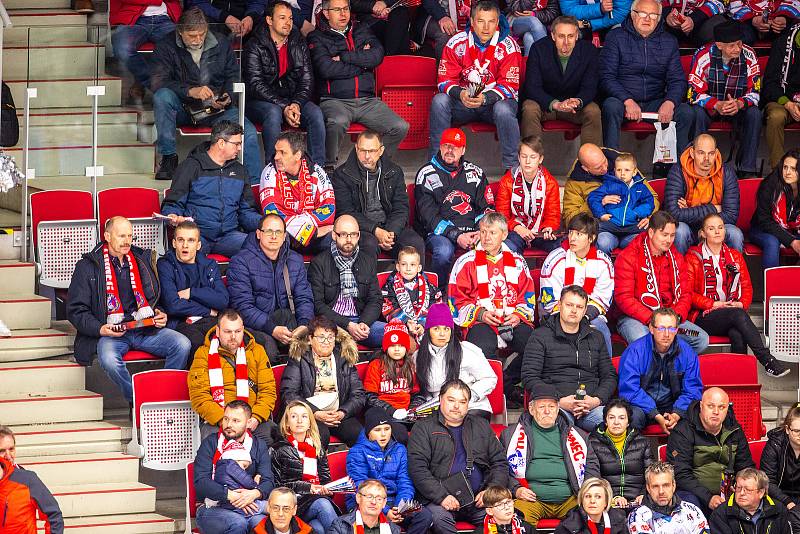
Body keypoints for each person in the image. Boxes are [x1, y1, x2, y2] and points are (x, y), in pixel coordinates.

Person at [67, 216, 191, 403]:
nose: (127, 241)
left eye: (130, 236)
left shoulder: (141, 260)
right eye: (121, 236)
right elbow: (76, 310)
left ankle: (162, 397)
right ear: (107, 236)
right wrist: (100, 329)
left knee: (182, 345)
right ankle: (139, 401)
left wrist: (159, 313)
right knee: (108, 359)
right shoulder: (88, 266)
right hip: (110, 333)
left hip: (144, 329)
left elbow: (154, 298)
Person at [150, 8, 263, 181]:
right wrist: (189, 91)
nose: (198, 40)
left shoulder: (221, 42)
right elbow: (158, 81)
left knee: (247, 131)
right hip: (183, 107)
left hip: (216, 109)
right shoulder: (166, 46)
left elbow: (233, 75)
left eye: (201, 34)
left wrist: (227, 97)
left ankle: (255, 183)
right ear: (180, 31)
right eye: (192, 35)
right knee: (162, 96)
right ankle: (168, 158)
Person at [686, 213, 790, 377]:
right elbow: (688, 293)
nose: (717, 231)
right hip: (703, 316)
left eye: (720, 227)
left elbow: (746, 286)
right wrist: (713, 304)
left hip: (731, 313)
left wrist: (742, 303)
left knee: (738, 333)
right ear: (703, 233)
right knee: (737, 315)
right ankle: (767, 360)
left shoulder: (734, 256)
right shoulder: (693, 257)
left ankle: (738, 380)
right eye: (711, 228)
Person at [307, 0, 409, 167]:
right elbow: (326, 69)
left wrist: (346, 57)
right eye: (337, 9)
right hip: (335, 101)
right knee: (337, 122)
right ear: (326, 13)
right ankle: (328, 166)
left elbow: (377, 56)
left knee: (400, 127)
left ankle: (373, 167)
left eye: (346, 8)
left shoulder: (362, 29)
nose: (343, 13)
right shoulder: (317, 36)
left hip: (367, 101)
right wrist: (363, 65)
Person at [448, 212, 536, 399]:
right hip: (481, 322)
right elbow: (455, 300)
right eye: (483, 232)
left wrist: (518, 315)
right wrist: (480, 314)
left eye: (492, 232)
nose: (486, 237)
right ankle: (500, 394)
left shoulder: (518, 261)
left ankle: (508, 382)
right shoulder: (465, 262)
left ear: (504, 235)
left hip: (512, 319)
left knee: (536, 348)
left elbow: (527, 295)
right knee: (480, 350)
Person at [407, 379, 509, 534]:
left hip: (478, 499)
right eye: (451, 400)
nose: (456, 406)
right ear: (440, 400)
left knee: (500, 518)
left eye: (462, 401)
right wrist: (442, 497)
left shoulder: (481, 425)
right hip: (439, 500)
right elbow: (417, 469)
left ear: (468, 404)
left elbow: (500, 463)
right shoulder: (423, 427)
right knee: (440, 520)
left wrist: (490, 491)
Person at [430, 0, 522, 170]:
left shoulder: (509, 46)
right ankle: (437, 166)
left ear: (498, 22)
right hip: (464, 103)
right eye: (481, 21)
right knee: (440, 100)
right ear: (472, 22)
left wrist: (485, 98)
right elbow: (444, 81)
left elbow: (510, 85)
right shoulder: (456, 43)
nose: (486, 27)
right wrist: (461, 94)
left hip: (493, 105)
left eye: (491, 21)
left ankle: (513, 169)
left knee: (503, 109)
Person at [500, 384, 600, 528]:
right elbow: (500, 468)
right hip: (531, 500)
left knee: (589, 518)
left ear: (558, 409)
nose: (547, 411)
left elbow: (591, 467)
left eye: (551, 407)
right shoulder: (510, 435)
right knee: (516, 521)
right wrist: (516, 489)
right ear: (531, 409)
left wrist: (586, 492)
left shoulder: (578, 435)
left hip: (570, 498)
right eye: (541, 407)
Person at [598, 0, 693, 151]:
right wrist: (627, 101)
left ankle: (678, 168)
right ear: (632, 15)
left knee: (685, 112)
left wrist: (669, 102)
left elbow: (678, 80)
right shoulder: (615, 37)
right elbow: (606, 77)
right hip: (623, 101)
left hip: (655, 101)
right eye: (642, 13)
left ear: (660, 18)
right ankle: (611, 162)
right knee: (610, 106)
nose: (647, 19)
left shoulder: (669, 41)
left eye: (653, 15)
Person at [521, 285, 617, 432]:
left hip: (590, 407)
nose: (574, 310)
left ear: (585, 311)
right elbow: (530, 377)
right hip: (557, 406)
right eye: (569, 305)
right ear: (559, 305)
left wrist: (596, 400)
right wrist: (558, 400)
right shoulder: (540, 336)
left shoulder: (596, 337)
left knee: (616, 424)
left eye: (579, 307)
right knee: (558, 426)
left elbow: (609, 376)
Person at [613, 210, 710, 353]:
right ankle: (657, 372)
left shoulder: (676, 257)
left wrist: (675, 317)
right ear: (651, 233)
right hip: (636, 319)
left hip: (669, 319)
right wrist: (652, 320)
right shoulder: (628, 256)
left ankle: (669, 367)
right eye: (664, 235)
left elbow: (685, 294)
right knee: (643, 338)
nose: (669, 240)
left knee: (700, 338)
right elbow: (624, 298)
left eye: (672, 236)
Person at [243, 1, 325, 167]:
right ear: (269, 20)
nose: (288, 22)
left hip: (292, 100)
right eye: (282, 18)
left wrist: (295, 104)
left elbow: (307, 80)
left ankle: (317, 170)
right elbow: (255, 84)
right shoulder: (254, 44)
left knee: (315, 113)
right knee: (273, 113)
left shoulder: (299, 42)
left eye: (290, 18)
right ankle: (273, 170)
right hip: (260, 102)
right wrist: (284, 106)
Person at [162, 121, 263, 256]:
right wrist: (172, 216)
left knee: (262, 247)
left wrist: (266, 224)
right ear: (221, 143)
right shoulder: (191, 166)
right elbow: (173, 203)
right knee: (188, 250)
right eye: (237, 144)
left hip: (229, 236)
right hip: (197, 234)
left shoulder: (240, 171)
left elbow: (246, 211)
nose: (239, 148)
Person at [227, 214, 315, 361]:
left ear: (284, 235)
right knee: (268, 349)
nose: (274, 236)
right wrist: (272, 329)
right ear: (259, 234)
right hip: (255, 325)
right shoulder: (241, 261)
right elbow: (242, 306)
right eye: (268, 231)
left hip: (287, 320)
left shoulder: (295, 260)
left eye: (278, 232)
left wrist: (304, 325)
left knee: (311, 344)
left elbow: (304, 298)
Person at [414, 128, 494, 288]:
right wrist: (456, 235)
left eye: (455, 147)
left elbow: (486, 208)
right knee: (443, 252)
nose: (450, 150)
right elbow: (428, 216)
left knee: (491, 246)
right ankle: (437, 293)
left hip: (473, 232)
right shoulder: (426, 173)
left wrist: (481, 231)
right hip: (439, 233)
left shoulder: (476, 173)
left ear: (463, 150)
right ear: (440, 147)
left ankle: (481, 296)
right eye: (447, 145)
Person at [332, 130, 426, 260]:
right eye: (362, 150)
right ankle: (369, 281)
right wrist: (375, 230)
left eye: (372, 151)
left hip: (390, 227)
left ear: (381, 151)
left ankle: (416, 281)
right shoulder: (342, 174)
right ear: (356, 148)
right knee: (369, 245)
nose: (367, 156)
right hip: (362, 229)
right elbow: (346, 212)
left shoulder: (394, 171)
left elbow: (401, 208)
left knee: (415, 243)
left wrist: (391, 233)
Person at [189, 309, 278, 442]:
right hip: (219, 420)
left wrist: (256, 417)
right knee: (212, 443)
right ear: (218, 331)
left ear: (243, 329)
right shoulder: (203, 354)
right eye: (227, 331)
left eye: (237, 331)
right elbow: (200, 397)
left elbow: (268, 391)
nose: (233, 336)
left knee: (272, 441)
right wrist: (224, 420)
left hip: (252, 418)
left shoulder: (257, 351)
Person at [687, 22, 762, 178]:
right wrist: (716, 104)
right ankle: (697, 168)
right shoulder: (703, 56)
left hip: (738, 105)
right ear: (719, 45)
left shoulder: (749, 55)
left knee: (754, 114)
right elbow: (692, 93)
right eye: (732, 45)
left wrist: (740, 103)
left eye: (740, 44)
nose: (737, 49)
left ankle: (747, 169)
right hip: (711, 107)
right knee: (696, 113)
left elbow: (755, 91)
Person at [667, 387, 756, 515]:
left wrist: (740, 485)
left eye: (721, 407)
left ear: (727, 409)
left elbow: (746, 465)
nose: (716, 412)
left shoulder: (735, 429)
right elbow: (680, 474)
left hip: (730, 492)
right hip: (694, 494)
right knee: (690, 505)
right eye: (711, 406)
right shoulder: (682, 431)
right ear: (701, 406)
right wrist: (708, 498)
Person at [282, 315, 366, 447]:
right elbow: (289, 394)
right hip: (310, 415)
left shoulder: (344, 358)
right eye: (321, 337)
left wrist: (343, 412)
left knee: (359, 434)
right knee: (320, 435)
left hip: (338, 413)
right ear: (310, 339)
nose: (326, 341)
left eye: (331, 337)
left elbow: (359, 395)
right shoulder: (299, 358)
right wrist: (315, 413)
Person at [346, 410, 434, 534]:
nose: (383, 434)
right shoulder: (357, 452)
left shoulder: (400, 449)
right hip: (366, 502)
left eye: (387, 429)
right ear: (368, 432)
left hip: (393, 501)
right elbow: (359, 487)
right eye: (377, 430)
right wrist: (385, 511)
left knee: (424, 516)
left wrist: (400, 507)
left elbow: (405, 481)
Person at [538, 213, 615, 356]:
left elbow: (602, 299)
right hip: (556, 314)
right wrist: (571, 316)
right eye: (571, 232)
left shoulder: (603, 262)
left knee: (601, 330)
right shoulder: (555, 259)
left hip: (588, 314)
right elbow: (549, 300)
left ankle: (606, 376)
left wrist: (583, 316)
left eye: (579, 234)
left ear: (591, 238)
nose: (572, 238)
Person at [194, 400, 275, 534]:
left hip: (250, 504)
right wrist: (230, 495)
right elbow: (201, 482)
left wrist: (254, 493)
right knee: (238, 523)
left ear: (248, 423)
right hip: (212, 508)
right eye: (226, 419)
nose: (228, 425)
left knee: (263, 525)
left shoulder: (258, 445)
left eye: (236, 421)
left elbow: (268, 481)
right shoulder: (211, 443)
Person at [617, 307, 703, 432]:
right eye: (661, 328)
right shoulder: (635, 351)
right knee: (632, 417)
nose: (666, 334)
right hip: (642, 406)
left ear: (677, 330)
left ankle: (679, 451)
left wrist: (676, 414)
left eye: (671, 328)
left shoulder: (687, 353)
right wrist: (655, 414)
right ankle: (637, 451)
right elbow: (629, 390)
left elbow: (693, 390)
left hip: (673, 405)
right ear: (651, 328)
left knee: (698, 414)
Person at [521, 16, 602, 147]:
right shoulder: (538, 48)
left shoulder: (589, 51)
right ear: (553, 36)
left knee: (593, 111)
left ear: (577, 36)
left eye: (570, 36)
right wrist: (555, 104)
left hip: (574, 107)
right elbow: (532, 87)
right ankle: (532, 163)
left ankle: (591, 164)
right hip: (545, 106)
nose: (566, 41)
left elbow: (590, 87)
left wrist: (578, 101)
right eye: (561, 36)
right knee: (529, 108)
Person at [307, 215, 385, 348]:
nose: (349, 239)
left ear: (359, 236)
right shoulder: (319, 263)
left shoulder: (368, 261)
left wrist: (363, 323)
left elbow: (375, 299)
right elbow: (318, 305)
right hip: (332, 325)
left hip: (361, 323)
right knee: (324, 339)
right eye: (343, 234)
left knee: (396, 335)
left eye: (353, 234)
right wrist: (348, 325)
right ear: (334, 235)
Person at [411, 303, 497, 419]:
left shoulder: (466, 350)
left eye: (446, 329)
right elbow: (425, 392)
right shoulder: (418, 357)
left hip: (471, 407)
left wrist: (469, 396)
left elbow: (489, 378)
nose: (442, 334)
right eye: (436, 329)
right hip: (440, 409)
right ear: (428, 331)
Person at [157, 220, 230, 356]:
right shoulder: (165, 265)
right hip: (181, 323)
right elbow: (173, 306)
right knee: (200, 345)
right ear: (174, 243)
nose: (185, 245)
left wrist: (191, 292)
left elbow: (223, 300)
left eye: (191, 240)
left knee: (233, 339)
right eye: (180, 240)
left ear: (198, 245)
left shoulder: (209, 265)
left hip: (210, 321)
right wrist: (208, 309)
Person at [664, 134, 743, 255]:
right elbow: (673, 214)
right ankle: (679, 273)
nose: (706, 158)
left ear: (716, 153)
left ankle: (733, 273)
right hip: (689, 227)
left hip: (715, 227)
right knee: (680, 231)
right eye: (701, 153)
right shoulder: (678, 171)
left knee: (735, 234)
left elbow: (731, 215)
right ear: (692, 152)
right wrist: (714, 208)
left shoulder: (726, 172)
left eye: (711, 153)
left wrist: (690, 210)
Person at [259, 131, 336, 255]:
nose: (276, 157)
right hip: (285, 237)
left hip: (314, 239)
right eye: (276, 151)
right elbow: (272, 213)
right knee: (275, 237)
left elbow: (328, 210)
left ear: (298, 155)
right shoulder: (269, 173)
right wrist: (311, 232)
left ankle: (321, 273)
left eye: (282, 153)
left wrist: (302, 231)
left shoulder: (317, 172)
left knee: (336, 239)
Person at [270, 400, 339, 534]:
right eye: (294, 416)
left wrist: (328, 490)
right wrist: (308, 487)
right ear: (287, 423)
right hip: (291, 504)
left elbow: (325, 480)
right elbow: (276, 486)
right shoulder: (278, 449)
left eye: (304, 416)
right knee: (322, 505)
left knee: (317, 528)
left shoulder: (317, 448)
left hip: (314, 501)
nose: (299, 420)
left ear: (310, 423)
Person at [562, 143, 660, 227]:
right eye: (598, 168)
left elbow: (653, 197)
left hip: (633, 224)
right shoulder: (574, 183)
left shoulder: (622, 164)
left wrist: (648, 216)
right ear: (585, 168)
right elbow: (569, 220)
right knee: (605, 242)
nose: (605, 168)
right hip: (600, 229)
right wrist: (596, 204)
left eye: (604, 162)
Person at [495, 136, 562, 255]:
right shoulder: (507, 181)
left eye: (533, 157)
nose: (527, 161)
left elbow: (553, 215)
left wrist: (548, 228)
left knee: (560, 247)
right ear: (518, 158)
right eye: (524, 156)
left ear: (540, 159)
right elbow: (501, 216)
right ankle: (516, 273)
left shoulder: (550, 183)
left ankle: (547, 273)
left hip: (539, 231)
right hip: (515, 230)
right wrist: (517, 227)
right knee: (509, 248)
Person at [110, 0, 182, 100]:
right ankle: (161, 88)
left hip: (165, 19)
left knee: (183, 46)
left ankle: (142, 80)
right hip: (134, 20)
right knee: (122, 48)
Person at [588, 400, 653, 507]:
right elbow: (593, 478)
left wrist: (644, 494)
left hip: (639, 500)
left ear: (628, 422)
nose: (616, 422)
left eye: (621, 418)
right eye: (612, 417)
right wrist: (614, 497)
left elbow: (650, 473)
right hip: (607, 501)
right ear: (605, 421)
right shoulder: (593, 442)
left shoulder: (642, 442)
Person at [588, 152, 656, 255]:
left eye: (627, 170)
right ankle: (604, 267)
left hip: (632, 226)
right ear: (614, 171)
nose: (622, 173)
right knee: (595, 231)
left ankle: (632, 268)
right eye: (619, 170)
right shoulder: (609, 185)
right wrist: (601, 214)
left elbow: (649, 202)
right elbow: (593, 198)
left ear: (634, 172)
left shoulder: (640, 188)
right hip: (611, 225)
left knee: (647, 237)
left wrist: (637, 213)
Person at [0, 426, 63, 534]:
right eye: (1, 451)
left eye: (11, 449)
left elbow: (53, 515)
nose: (8, 456)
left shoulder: (27, 480)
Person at [363, 322, 420, 441]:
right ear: (386, 347)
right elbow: (369, 397)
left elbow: (416, 394)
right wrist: (391, 411)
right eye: (393, 346)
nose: (397, 349)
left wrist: (413, 409)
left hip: (407, 413)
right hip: (385, 413)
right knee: (400, 434)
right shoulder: (376, 365)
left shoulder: (410, 366)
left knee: (424, 432)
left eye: (401, 345)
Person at [627, 462, 711, 534]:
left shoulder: (692, 511)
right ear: (648, 488)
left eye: (666, 485)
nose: (661, 491)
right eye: (655, 486)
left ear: (674, 486)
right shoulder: (638, 516)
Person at [750, 150, 800, 268]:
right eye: (785, 167)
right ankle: (772, 285)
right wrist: (792, 241)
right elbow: (765, 221)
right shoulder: (769, 186)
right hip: (762, 229)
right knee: (772, 242)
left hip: (791, 228)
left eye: (793, 169)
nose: (787, 172)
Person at [380, 247, 443, 338]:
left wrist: (422, 323)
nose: (408, 268)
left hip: (424, 326)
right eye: (404, 264)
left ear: (419, 268)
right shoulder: (389, 287)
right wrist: (407, 322)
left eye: (412, 264)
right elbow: (389, 307)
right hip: (400, 326)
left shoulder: (429, 287)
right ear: (398, 266)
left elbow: (436, 305)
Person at [710, 468, 793, 534]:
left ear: (761, 492)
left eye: (748, 490)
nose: (741, 493)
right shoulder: (721, 514)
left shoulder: (779, 510)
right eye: (738, 488)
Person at [763, 33, 800, 169]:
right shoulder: (783, 43)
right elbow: (770, 83)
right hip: (782, 100)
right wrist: (788, 104)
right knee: (776, 116)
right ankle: (778, 172)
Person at [761, 405, 800, 519]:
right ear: (787, 429)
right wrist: (787, 502)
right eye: (797, 431)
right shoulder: (775, 444)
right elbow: (767, 481)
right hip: (777, 496)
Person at [554, 478, 627, 534]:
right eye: (588, 496)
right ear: (582, 500)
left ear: (606, 502)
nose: (592, 501)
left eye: (598, 497)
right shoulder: (567, 526)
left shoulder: (619, 521)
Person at [327, 480, 401, 534]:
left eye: (379, 498)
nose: (373, 502)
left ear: (384, 503)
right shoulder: (341, 525)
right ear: (358, 498)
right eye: (369, 497)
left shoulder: (394, 530)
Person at [213, 445, 268, 516]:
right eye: (244, 465)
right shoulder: (230, 465)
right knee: (264, 506)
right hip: (235, 503)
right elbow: (247, 482)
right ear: (235, 459)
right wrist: (256, 484)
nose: (244, 470)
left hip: (228, 502)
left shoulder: (222, 468)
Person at [727, 0, 800, 44]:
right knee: (738, 37)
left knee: (792, 36)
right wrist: (751, 19)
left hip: (781, 20)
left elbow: (795, 2)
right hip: (746, 21)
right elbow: (735, 5)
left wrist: (785, 16)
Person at [188, 0, 263, 38]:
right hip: (214, 23)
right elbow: (198, 3)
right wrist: (224, 17)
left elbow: (258, 2)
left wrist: (250, 17)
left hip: (247, 24)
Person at [560, 0, 632, 34]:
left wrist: (589, 23)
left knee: (621, 32)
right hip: (578, 21)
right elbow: (568, 10)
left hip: (610, 22)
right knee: (568, 31)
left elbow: (621, 13)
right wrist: (599, 8)